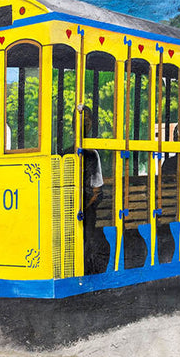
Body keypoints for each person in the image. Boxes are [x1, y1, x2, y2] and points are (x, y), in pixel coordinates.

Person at [80, 106, 106, 274]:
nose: (85, 123)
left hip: (87, 208)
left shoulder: (92, 154)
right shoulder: (67, 152)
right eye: (82, 119)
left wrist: (84, 206)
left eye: (88, 120)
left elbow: (97, 190)